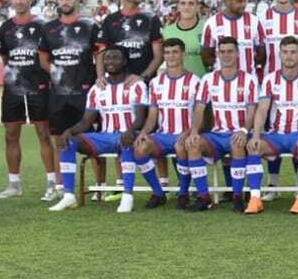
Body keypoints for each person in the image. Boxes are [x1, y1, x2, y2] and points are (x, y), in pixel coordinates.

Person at [47, 47, 165, 213]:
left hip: (128, 134)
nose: (110, 61)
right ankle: (69, 196)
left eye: (116, 58)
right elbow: (86, 122)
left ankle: (127, 196)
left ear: (124, 61)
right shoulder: (97, 88)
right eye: (107, 58)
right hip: (104, 136)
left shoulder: (136, 85)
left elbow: (140, 118)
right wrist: (69, 131)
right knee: (68, 142)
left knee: (128, 142)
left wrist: (130, 131)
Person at [184, 35, 263, 213]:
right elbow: (199, 108)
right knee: (193, 144)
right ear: (218, 54)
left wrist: (243, 130)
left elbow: (252, 110)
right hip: (216, 135)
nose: (226, 55)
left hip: (239, 132)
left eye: (230, 51)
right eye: (222, 52)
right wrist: (195, 131)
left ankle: (237, 198)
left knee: (237, 142)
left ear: (237, 54)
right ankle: (204, 198)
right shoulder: (208, 79)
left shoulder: (249, 79)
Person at [37, 0, 100, 201]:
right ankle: (60, 186)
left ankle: (99, 187)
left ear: (76, 1)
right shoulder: (48, 29)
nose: (64, 2)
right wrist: (56, 72)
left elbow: (99, 55)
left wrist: (98, 78)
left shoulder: (89, 26)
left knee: (92, 140)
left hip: (83, 92)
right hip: (58, 94)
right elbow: (43, 59)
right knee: (58, 140)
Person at [0, 0, 55, 200]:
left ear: (30, 0)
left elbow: (48, 57)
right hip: (13, 89)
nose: (19, 1)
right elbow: (5, 59)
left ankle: (52, 184)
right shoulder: (5, 28)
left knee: (44, 135)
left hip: (39, 87)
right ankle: (14, 185)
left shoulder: (42, 26)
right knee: (11, 135)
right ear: (11, 0)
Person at [252, 36, 298, 214]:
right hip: (276, 135)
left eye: (293, 52)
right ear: (279, 54)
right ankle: (255, 198)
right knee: (254, 147)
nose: (289, 56)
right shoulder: (270, 79)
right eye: (285, 52)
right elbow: (262, 110)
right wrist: (255, 135)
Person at [135, 38, 201, 210]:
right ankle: (158, 193)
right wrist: (144, 132)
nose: (171, 56)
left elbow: (199, 113)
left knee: (181, 147)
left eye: (175, 52)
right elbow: (152, 116)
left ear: (183, 54)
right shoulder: (156, 83)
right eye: (167, 52)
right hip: (163, 136)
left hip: (184, 134)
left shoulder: (195, 81)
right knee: (140, 148)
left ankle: (183, 193)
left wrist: (190, 132)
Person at [98, 0, 164, 81]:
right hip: (115, 85)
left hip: (143, 86)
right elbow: (101, 53)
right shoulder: (109, 20)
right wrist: (101, 77)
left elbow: (159, 56)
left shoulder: (151, 19)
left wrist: (142, 77)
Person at [201, 0, 264, 74]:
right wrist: (220, 66)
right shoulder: (212, 23)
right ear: (227, 1)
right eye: (239, 1)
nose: (244, 4)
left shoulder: (254, 21)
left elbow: (261, 54)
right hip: (221, 83)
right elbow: (206, 56)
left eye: (245, 0)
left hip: (248, 81)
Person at [159, 0, 207, 75]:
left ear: (197, 7)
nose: (186, 7)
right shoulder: (167, 32)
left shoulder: (207, 28)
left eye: (191, 3)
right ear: (178, 6)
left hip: (201, 82)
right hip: (175, 84)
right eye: (183, 3)